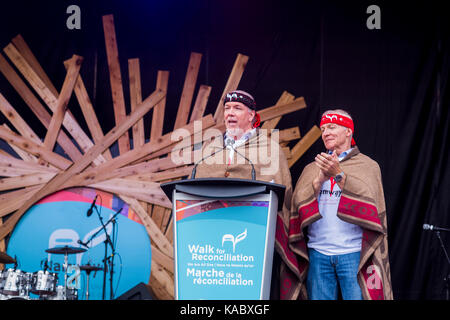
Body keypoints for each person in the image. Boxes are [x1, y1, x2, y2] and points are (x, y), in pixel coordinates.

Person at [276, 109, 393, 300]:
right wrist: (317, 182)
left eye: (332, 127)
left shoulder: (368, 166)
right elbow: (296, 207)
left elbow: (372, 206)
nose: (326, 133)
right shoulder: (312, 168)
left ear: (348, 131)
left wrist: (338, 174)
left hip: (354, 253)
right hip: (318, 252)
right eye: (323, 129)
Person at [193, 90, 292, 299]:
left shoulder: (269, 149)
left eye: (237, 108)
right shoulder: (210, 149)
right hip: (213, 243)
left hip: (254, 240)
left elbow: (284, 195)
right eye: (227, 108)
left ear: (251, 115)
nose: (230, 113)